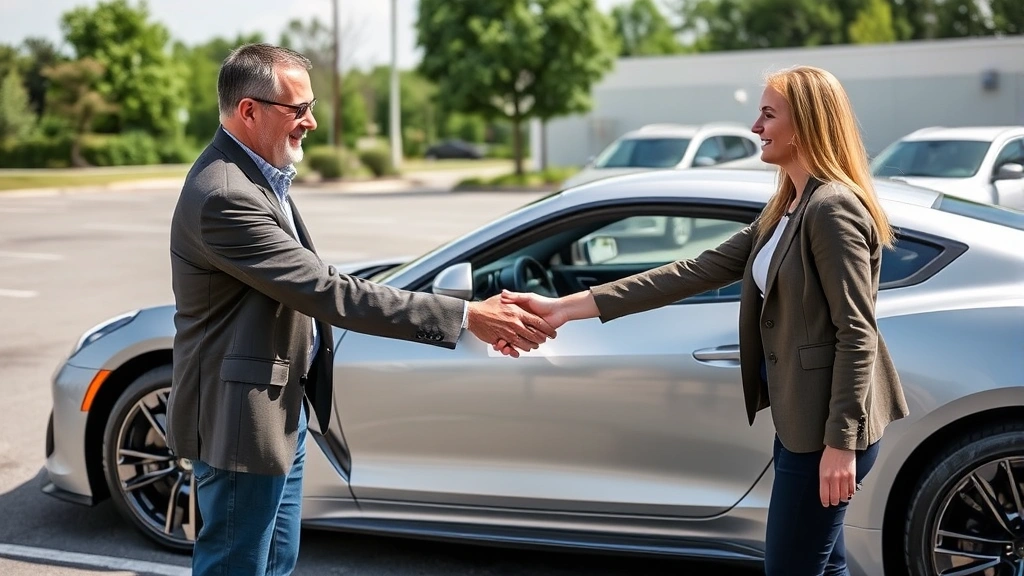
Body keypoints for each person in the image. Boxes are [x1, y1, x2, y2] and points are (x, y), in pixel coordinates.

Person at [496, 65, 909, 576]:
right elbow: (694, 271)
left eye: (767, 114)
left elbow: (857, 332)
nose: (755, 127)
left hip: (829, 431)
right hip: (804, 422)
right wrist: (566, 308)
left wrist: (840, 445)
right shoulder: (790, 205)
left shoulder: (831, 209)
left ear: (803, 124)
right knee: (823, 567)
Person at [166, 43, 555, 576]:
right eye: (297, 110)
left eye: (310, 106)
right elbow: (326, 291)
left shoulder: (261, 176)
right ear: (248, 110)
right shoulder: (225, 195)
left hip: (282, 411)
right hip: (242, 423)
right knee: (237, 567)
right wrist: (466, 316)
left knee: (277, 563)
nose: (312, 122)